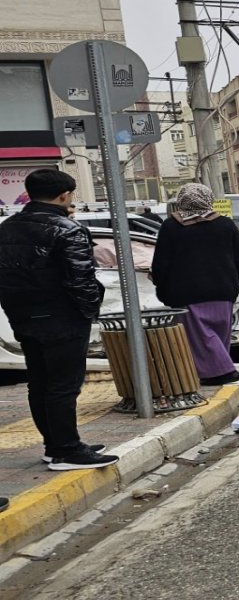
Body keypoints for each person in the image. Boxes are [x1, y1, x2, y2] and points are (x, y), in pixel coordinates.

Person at [0, 169, 117, 471]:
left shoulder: (7, 228)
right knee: (64, 385)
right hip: (62, 318)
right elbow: (82, 280)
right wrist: (89, 311)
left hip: (23, 317)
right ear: (64, 195)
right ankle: (67, 449)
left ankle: (55, 446)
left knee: (39, 382)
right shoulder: (68, 229)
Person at [150, 183, 239, 386]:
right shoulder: (226, 224)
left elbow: (161, 263)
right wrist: (233, 280)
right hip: (223, 290)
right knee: (219, 336)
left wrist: (161, 287)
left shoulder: (172, 226)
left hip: (187, 293)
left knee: (201, 337)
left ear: (182, 201)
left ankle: (223, 372)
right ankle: (218, 371)